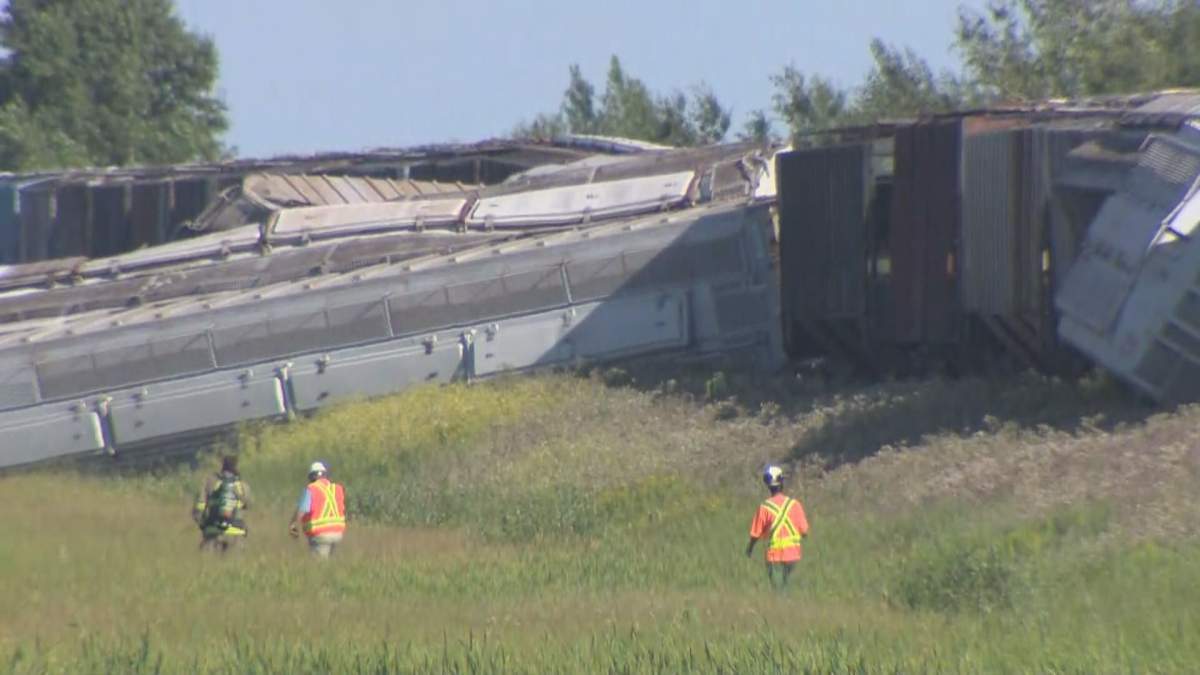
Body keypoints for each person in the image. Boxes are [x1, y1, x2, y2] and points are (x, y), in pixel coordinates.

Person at [745, 464, 809, 590]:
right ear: (781, 482)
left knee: (779, 591)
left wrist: (750, 549)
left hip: (774, 557)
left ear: (768, 485)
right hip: (793, 556)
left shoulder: (764, 508)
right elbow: (805, 531)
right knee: (787, 588)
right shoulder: (794, 505)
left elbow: (755, 534)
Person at [193, 455, 251, 553]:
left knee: (207, 567)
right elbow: (248, 505)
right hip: (236, 536)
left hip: (212, 533)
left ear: (222, 466)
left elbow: (199, 506)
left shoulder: (210, 482)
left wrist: (202, 523)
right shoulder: (243, 486)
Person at [288, 461, 347, 558]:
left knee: (320, 567)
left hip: (321, 535)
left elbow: (302, 510)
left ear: (311, 476)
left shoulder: (311, 489)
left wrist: (293, 524)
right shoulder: (337, 488)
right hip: (338, 533)